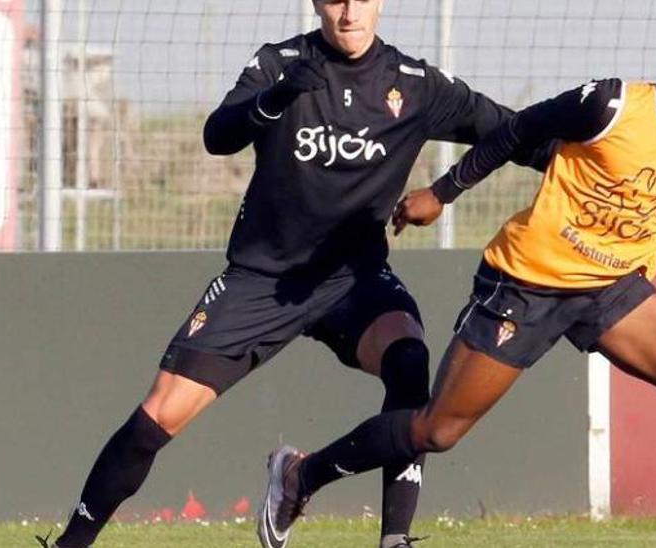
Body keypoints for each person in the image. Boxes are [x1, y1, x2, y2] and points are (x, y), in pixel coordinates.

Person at [260, 23, 656, 540]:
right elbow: (517, 131)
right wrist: (442, 192)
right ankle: (299, 474)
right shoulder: (609, 105)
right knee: (438, 430)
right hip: (525, 285)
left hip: (611, 289)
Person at [38, 1, 549, 547]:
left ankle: (392, 537)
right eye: (335, 0)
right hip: (261, 280)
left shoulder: (415, 84)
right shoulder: (281, 63)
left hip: (353, 279)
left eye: (361, 0)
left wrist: (588, 154)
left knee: (409, 361)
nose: (349, 13)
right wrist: (273, 99)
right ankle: (72, 542)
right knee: (156, 418)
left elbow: (513, 131)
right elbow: (219, 135)